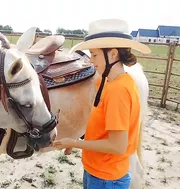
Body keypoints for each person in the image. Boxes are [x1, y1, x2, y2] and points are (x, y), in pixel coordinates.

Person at [52, 19, 151, 189]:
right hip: (99, 172)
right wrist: (77, 139)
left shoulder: (118, 91)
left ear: (113, 54)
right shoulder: (108, 83)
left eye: (95, 55)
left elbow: (118, 146)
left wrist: (75, 143)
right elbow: (100, 127)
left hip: (106, 179)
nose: (92, 61)